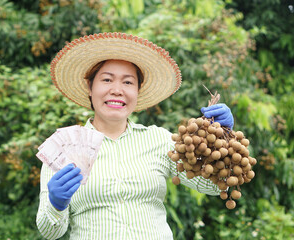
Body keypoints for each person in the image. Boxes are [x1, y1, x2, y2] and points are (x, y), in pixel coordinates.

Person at [36, 32, 234, 239]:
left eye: (128, 83)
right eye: (106, 79)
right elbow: (50, 232)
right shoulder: (63, 149)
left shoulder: (159, 140)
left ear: (138, 91)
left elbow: (212, 185)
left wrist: (224, 139)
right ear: (89, 87)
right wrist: (56, 203)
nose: (117, 90)